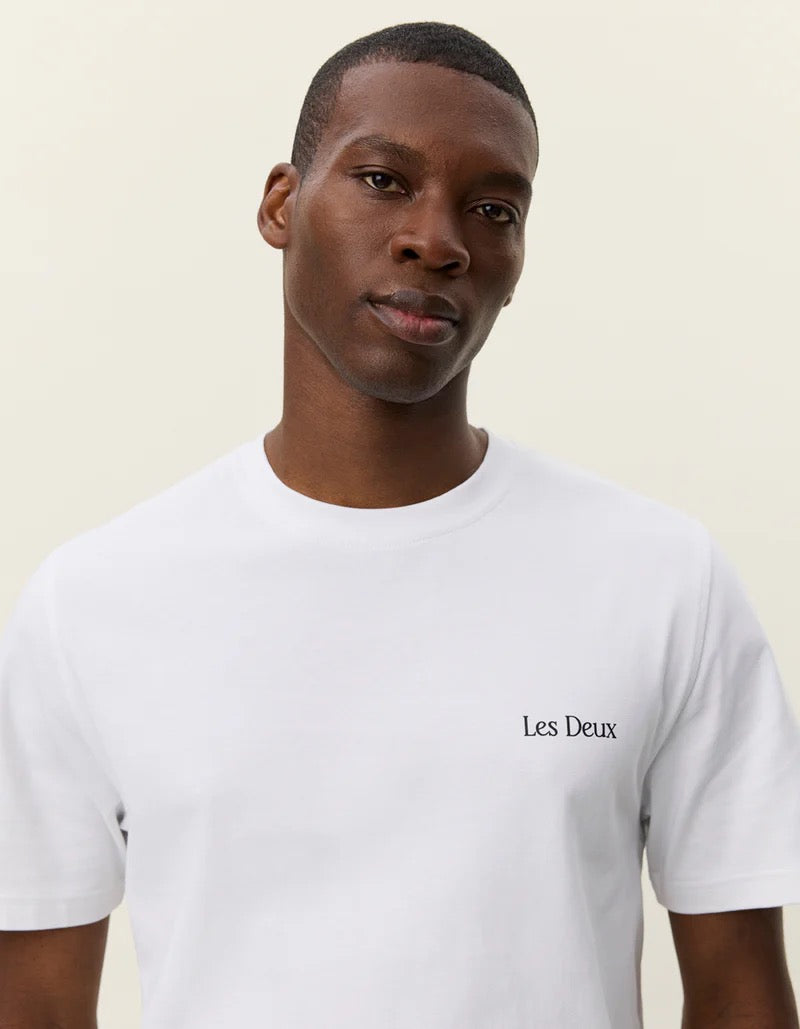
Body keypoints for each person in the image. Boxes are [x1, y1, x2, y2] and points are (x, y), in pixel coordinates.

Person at [0, 20, 798, 1029]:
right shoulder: (95, 602)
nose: (437, 239)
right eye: (383, 180)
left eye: (493, 208)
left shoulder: (659, 579)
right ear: (281, 204)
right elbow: (33, 1006)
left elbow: (741, 996)